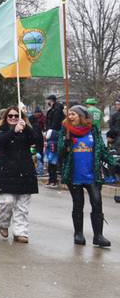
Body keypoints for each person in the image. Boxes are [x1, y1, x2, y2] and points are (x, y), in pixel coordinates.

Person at [57, 104, 118, 248]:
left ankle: (98, 236)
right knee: (78, 204)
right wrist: (64, 143)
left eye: (74, 114)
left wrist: (113, 162)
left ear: (82, 116)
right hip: (74, 175)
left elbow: (101, 149)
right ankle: (78, 234)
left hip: (92, 175)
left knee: (97, 203)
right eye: (69, 114)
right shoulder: (66, 131)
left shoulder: (93, 130)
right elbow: (61, 153)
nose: (70, 116)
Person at [0, 106, 41, 243]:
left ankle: (21, 232)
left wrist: (26, 128)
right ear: (6, 117)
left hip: (25, 170)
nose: (13, 118)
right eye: (11, 116)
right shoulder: (0, 130)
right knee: (7, 202)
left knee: (22, 206)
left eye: (16, 116)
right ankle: (3, 223)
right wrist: (13, 131)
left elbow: (36, 141)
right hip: (6, 171)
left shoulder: (26, 129)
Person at [44, 94, 65, 187]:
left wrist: (50, 130)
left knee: (52, 159)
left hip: (53, 135)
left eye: (47, 100)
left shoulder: (56, 110)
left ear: (50, 100)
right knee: (50, 159)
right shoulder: (53, 109)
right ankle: (51, 179)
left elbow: (54, 122)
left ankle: (53, 180)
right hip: (51, 134)